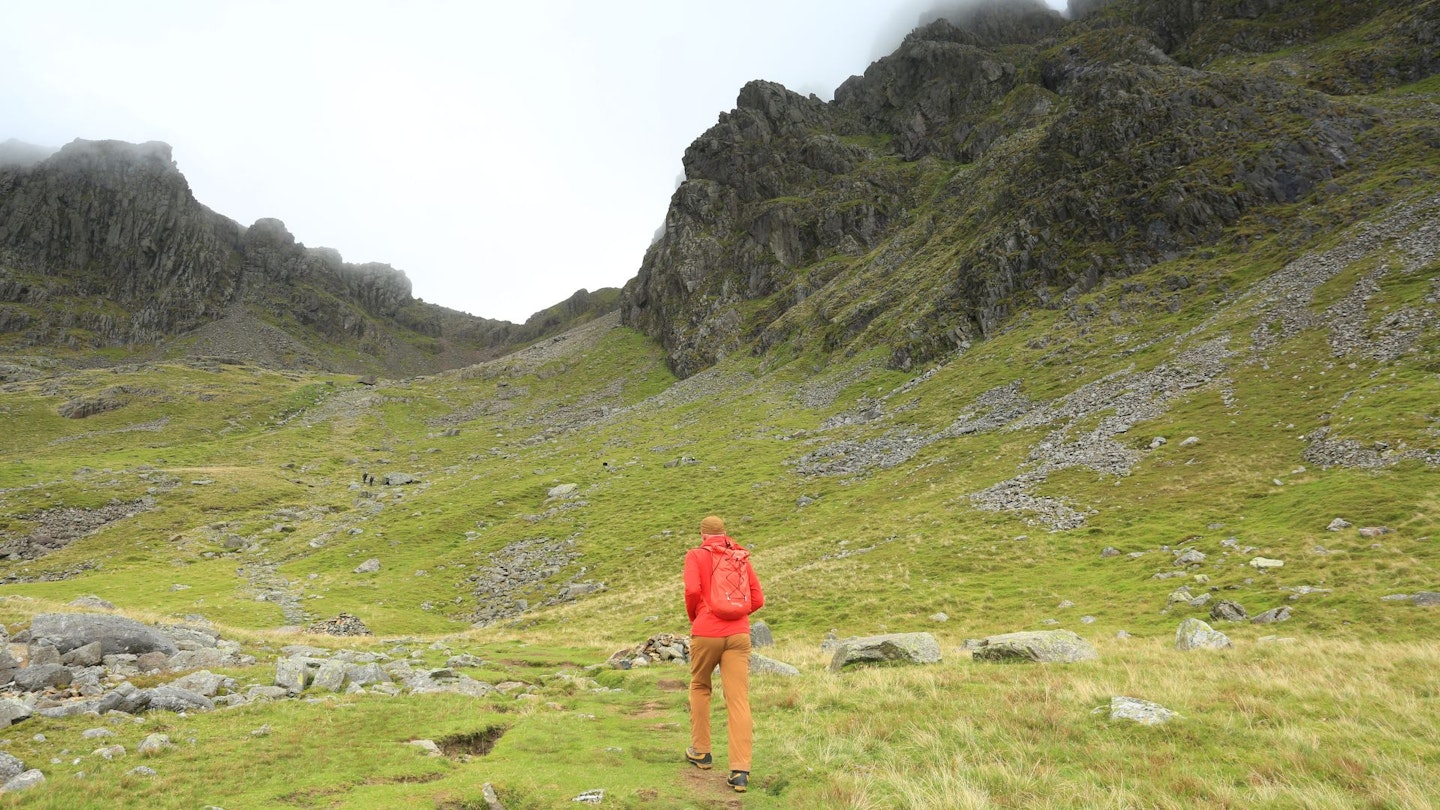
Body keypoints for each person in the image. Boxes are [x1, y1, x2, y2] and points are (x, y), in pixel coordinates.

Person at [684, 514, 764, 793]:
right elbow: (758, 598)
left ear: (703, 534)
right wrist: (738, 616)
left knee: (700, 685)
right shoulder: (740, 556)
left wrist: (698, 616)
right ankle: (740, 770)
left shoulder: (696, 555)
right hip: (740, 634)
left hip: (706, 631)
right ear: (725, 532)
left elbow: (692, 589)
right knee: (738, 699)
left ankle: (701, 752)